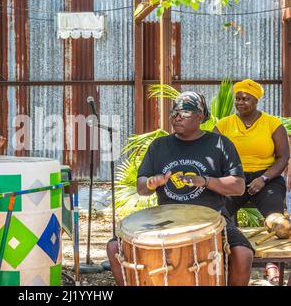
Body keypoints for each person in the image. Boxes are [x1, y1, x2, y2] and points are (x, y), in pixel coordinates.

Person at [106, 91, 254, 286]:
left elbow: (238, 186)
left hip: (212, 217)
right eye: (174, 113)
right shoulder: (159, 146)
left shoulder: (220, 144)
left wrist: (204, 181)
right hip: (165, 219)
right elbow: (142, 188)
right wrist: (152, 182)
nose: (176, 117)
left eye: (184, 113)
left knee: (243, 254)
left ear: (200, 117)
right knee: (114, 247)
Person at [214, 79, 290, 284]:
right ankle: (232, 257)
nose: (240, 102)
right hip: (232, 177)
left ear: (256, 100)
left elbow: (283, 157)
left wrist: (263, 178)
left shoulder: (272, 124)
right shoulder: (224, 124)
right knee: (218, 215)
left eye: (245, 99)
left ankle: (271, 264)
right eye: (237, 98)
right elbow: (211, 155)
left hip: (267, 178)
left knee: (279, 225)